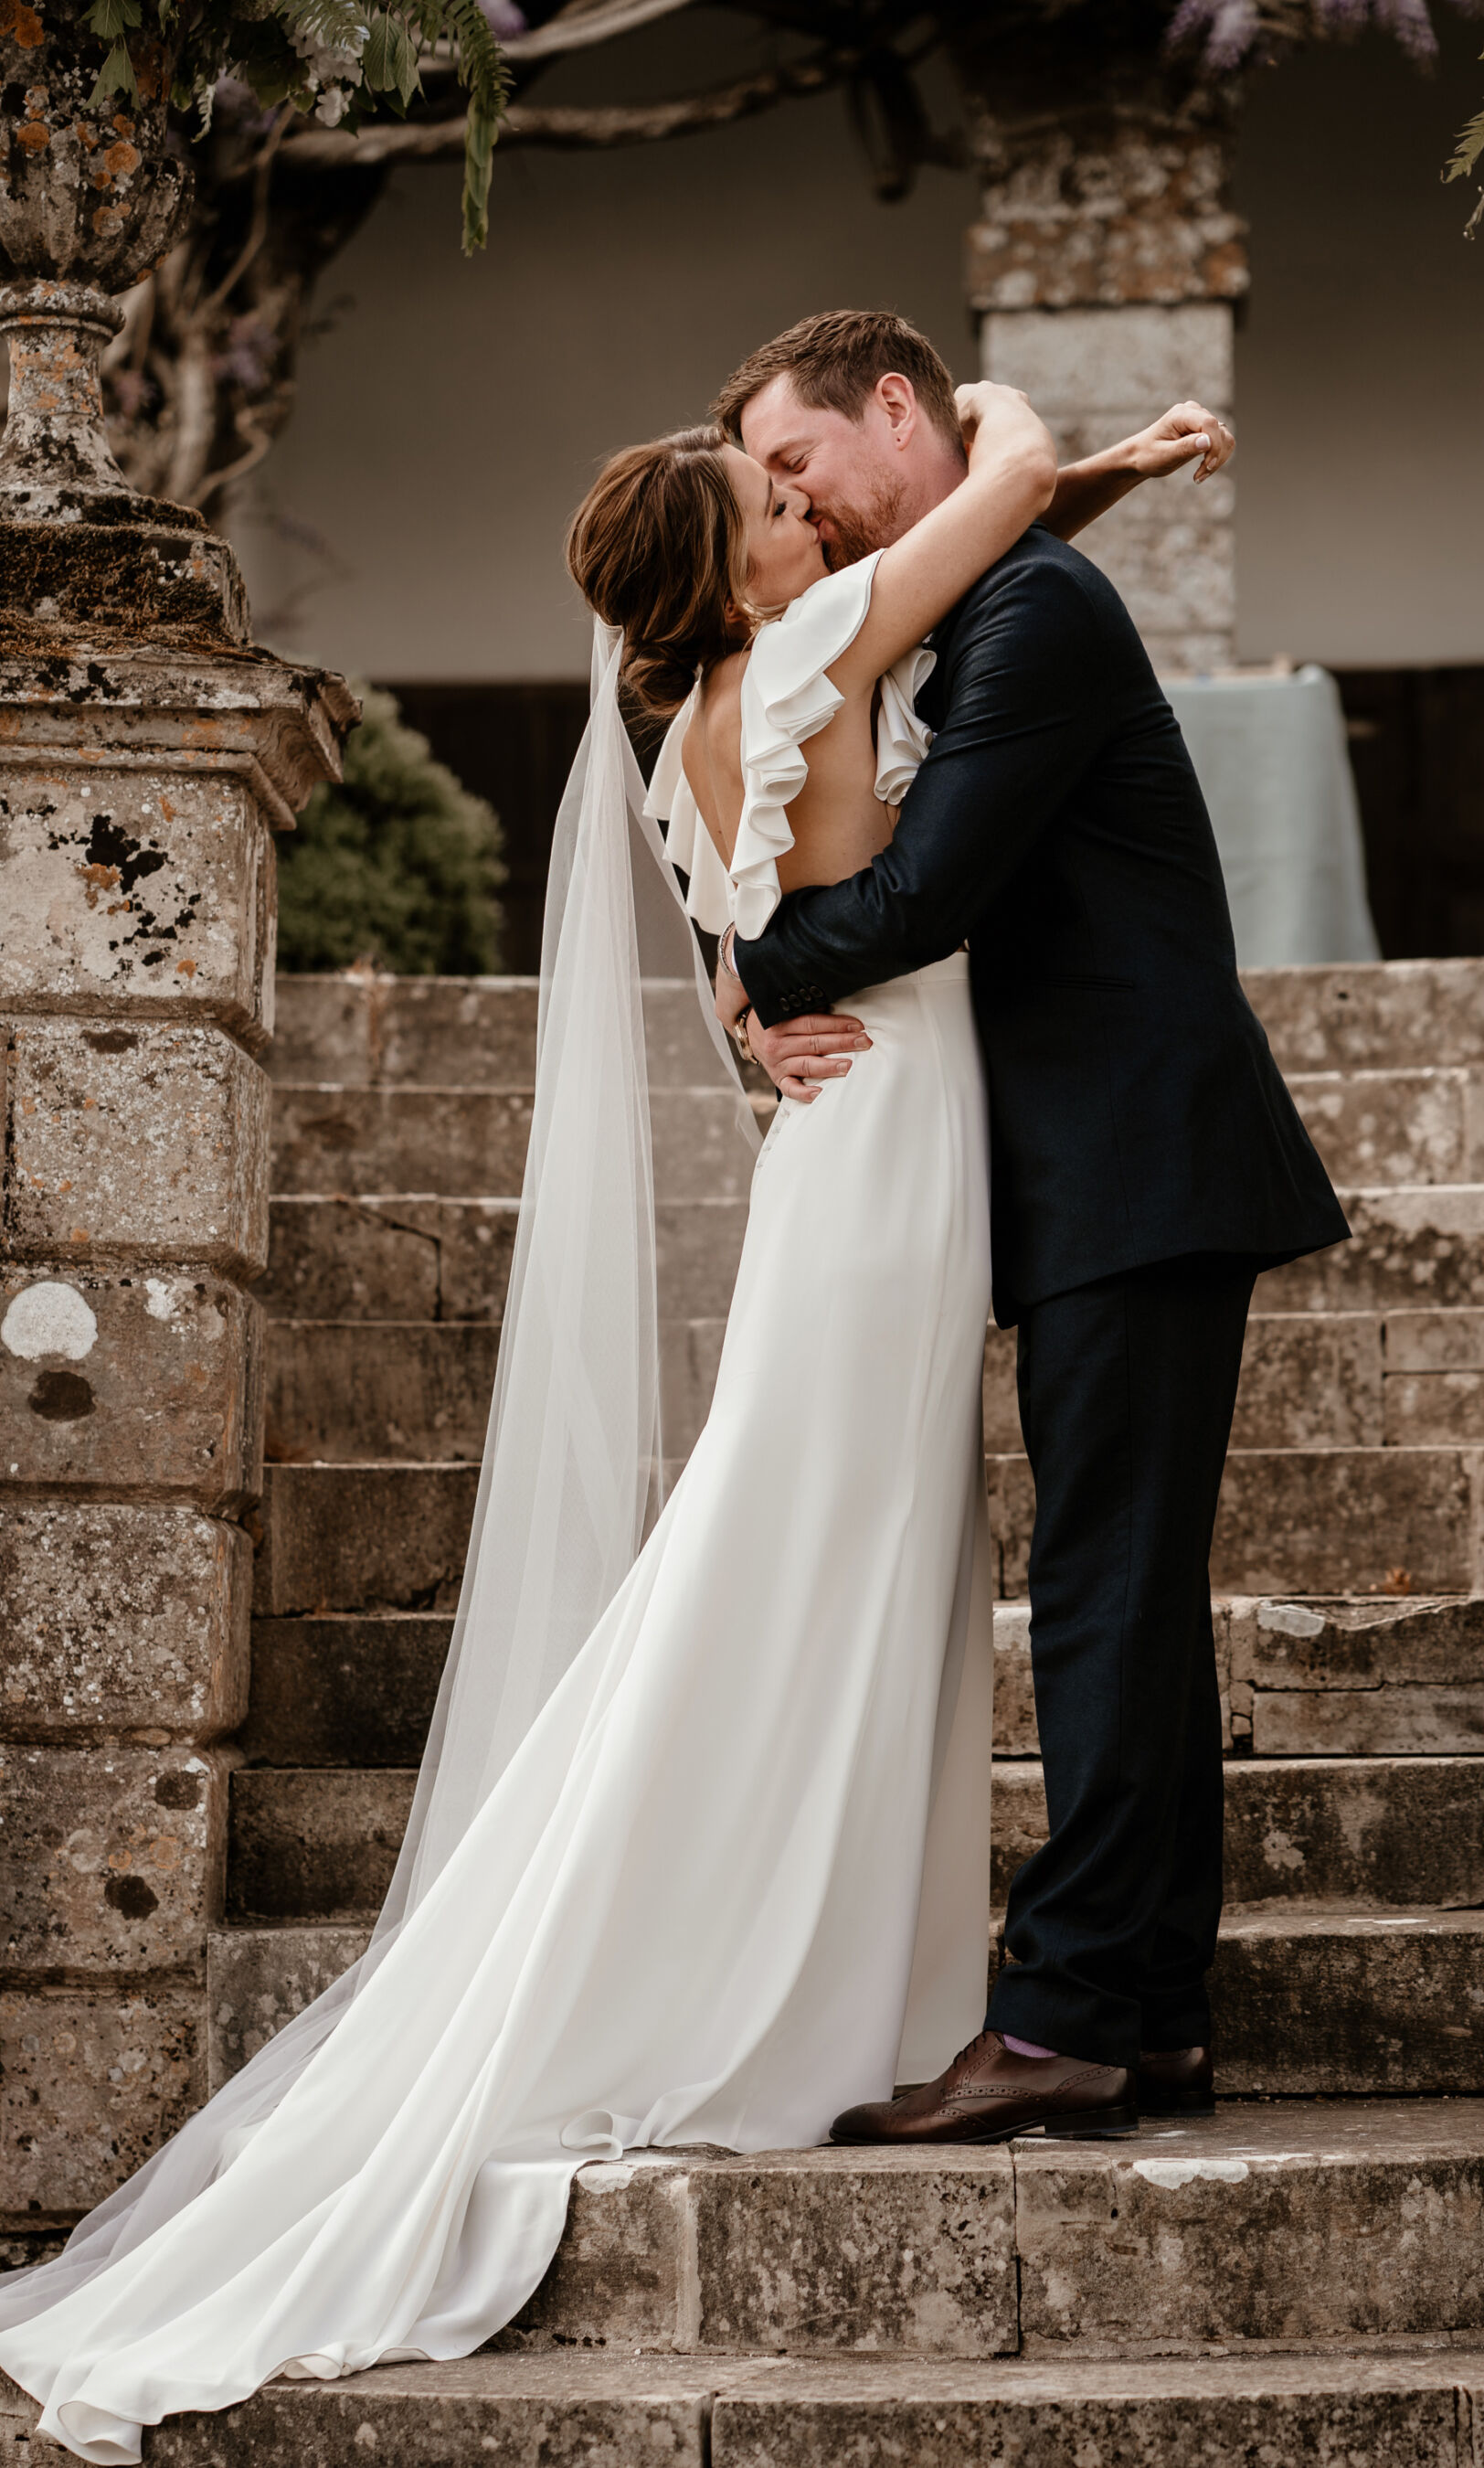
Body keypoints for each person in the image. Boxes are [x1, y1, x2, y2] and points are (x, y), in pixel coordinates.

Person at [0, 370, 1214, 2463]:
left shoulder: (683, 725)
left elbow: (819, 817)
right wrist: (1062, 430)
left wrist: (758, 991)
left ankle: (861, 1956)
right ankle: (774, 1961)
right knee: (810, 1547)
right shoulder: (818, 643)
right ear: (736, 563)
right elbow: (992, 479)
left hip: (863, 1160)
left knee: (829, 1545)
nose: (804, 507)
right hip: (893, 1147)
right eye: (774, 491)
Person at [711, 310, 1351, 2145]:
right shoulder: (988, 596)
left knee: (1101, 1590)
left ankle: (1068, 2012)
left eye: (802, 465)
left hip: (1135, 1159)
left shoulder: (1034, 615)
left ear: (892, 413)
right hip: (1092, 1168)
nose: (799, 505)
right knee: (1127, 1596)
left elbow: (929, 895)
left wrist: (758, 969)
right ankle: (1146, 2015)